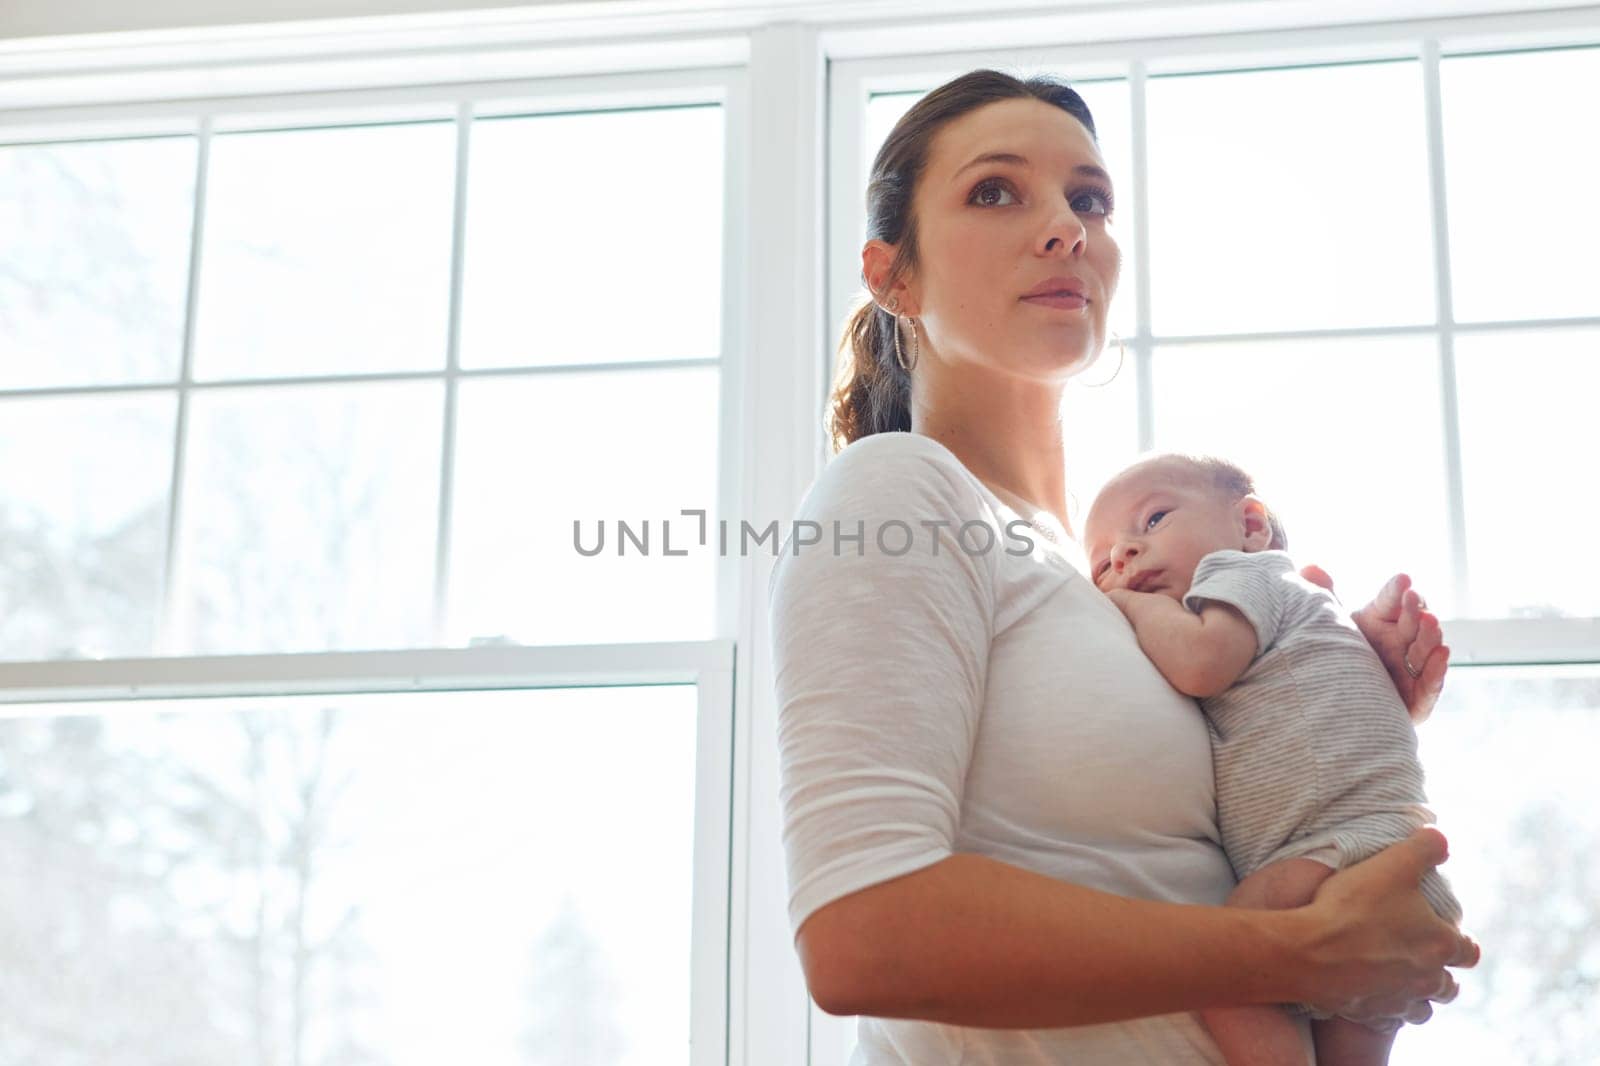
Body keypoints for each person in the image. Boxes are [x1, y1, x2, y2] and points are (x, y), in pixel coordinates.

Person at [766, 68, 1478, 1064]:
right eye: (995, 191)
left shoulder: (1106, 575)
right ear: (893, 276)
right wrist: (1297, 951)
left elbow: (1156, 844)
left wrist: (1344, 692)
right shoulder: (897, 493)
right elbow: (860, 934)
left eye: (1088, 199)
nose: (1065, 227)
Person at [1082, 452, 1463, 1066]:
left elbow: (1201, 665)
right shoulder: (1293, 622)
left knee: (1223, 970)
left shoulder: (1248, 575)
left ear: (1251, 526)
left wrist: (1134, 605)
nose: (1122, 554)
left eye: (1152, 521)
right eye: (1101, 564)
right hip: (1379, 861)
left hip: (1344, 850)